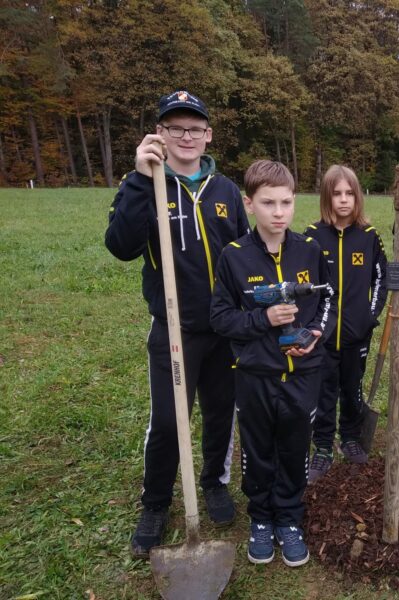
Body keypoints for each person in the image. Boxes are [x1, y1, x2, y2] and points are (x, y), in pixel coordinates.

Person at [105, 90, 248, 558]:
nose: (185, 136)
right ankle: (155, 502)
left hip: (224, 328)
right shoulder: (145, 184)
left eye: (194, 129)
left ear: (208, 136)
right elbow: (121, 245)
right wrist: (141, 181)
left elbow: (245, 255)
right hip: (174, 327)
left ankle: (214, 482)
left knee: (221, 412)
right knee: (168, 421)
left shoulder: (224, 190)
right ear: (160, 135)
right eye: (175, 128)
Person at [210, 160, 334, 567]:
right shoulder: (234, 257)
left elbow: (327, 301)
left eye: (286, 202)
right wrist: (263, 319)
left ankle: (289, 517)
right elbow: (220, 317)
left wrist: (315, 334)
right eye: (268, 203)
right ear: (249, 204)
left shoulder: (310, 250)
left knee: (295, 447)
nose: (278, 212)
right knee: (259, 449)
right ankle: (261, 517)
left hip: (303, 376)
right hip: (255, 376)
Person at [304, 165, 388, 482]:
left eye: (349, 193)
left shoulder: (369, 237)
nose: (343, 200)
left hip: (357, 335)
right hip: (324, 338)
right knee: (324, 392)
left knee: (352, 389)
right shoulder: (312, 237)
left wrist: (370, 314)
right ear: (327, 198)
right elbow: (307, 285)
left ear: (357, 197)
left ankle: (350, 437)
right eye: (336, 194)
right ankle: (323, 446)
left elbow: (381, 278)